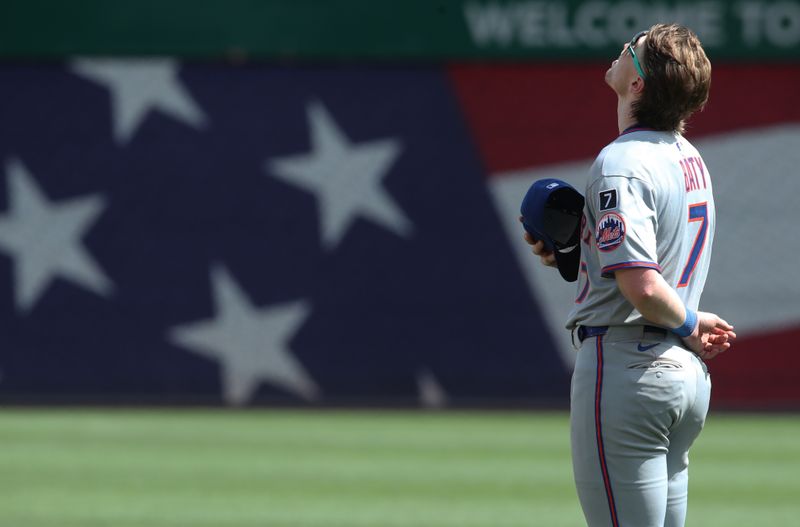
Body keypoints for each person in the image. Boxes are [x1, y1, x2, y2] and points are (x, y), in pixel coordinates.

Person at [522, 24, 737, 527]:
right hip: (682, 376)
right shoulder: (690, 159)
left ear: (638, 84)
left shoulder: (620, 161)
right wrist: (581, 254)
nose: (622, 50)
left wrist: (687, 323)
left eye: (631, 50)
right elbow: (652, 266)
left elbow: (641, 284)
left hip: (629, 370)